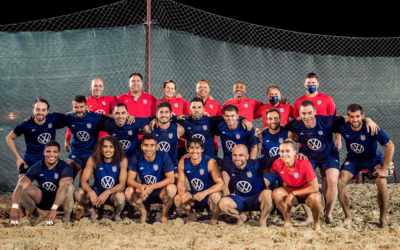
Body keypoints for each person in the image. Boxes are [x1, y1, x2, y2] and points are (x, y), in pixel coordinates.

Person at [285, 100, 378, 223]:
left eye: (309, 113)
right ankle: (309, 215)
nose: (306, 116)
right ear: (299, 113)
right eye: (303, 113)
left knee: (333, 180)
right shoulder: (295, 124)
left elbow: (351, 118)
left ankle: (328, 213)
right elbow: (287, 140)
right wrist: (296, 154)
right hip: (309, 156)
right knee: (301, 180)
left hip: (329, 155)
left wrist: (368, 120)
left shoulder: (326, 120)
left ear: (315, 112)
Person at [336, 104, 394, 228]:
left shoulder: (371, 128)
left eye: (358, 116)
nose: (355, 120)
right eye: (352, 117)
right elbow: (329, 122)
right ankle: (348, 217)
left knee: (382, 183)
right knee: (340, 182)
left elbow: (390, 145)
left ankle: (383, 218)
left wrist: (384, 169)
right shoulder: (343, 127)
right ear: (348, 117)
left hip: (373, 160)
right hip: (353, 160)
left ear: (362, 116)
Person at [9, 141, 75, 227]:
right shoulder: (36, 167)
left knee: (69, 187)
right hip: (43, 201)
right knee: (23, 188)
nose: (51, 154)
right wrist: (14, 207)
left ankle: (66, 218)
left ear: (59, 153)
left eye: (55, 152)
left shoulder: (65, 167)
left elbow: (64, 187)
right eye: (48, 151)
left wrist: (54, 209)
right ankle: (37, 218)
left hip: (60, 204)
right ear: (44, 152)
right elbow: (20, 185)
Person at [169, 97, 252, 157]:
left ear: (203, 110)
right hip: (193, 158)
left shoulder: (211, 121)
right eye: (194, 107)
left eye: (199, 107)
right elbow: (163, 119)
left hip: (210, 160)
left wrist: (244, 120)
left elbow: (230, 117)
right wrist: (174, 117)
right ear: (190, 110)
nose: (196, 110)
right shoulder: (184, 121)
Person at [268, 139, 323, 231]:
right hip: (293, 191)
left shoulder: (304, 163)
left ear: (294, 152)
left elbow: (315, 188)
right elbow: (269, 170)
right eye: (282, 151)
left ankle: (316, 223)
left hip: (309, 192)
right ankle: (287, 221)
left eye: (287, 151)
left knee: (315, 198)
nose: (284, 154)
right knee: (276, 193)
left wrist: (293, 194)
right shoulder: (278, 163)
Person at [217, 145, 277, 227]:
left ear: (247, 156)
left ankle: (263, 219)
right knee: (223, 203)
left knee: (268, 194)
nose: (237, 158)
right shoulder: (229, 165)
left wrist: (297, 156)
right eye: (235, 155)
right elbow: (214, 159)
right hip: (240, 199)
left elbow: (276, 157)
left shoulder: (256, 164)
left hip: (257, 199)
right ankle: (241, 216)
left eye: (241, 155)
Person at [6, 98, 66, 178]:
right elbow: (9, 138)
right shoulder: (26, 124)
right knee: (22, 184)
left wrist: (85, 111)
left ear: (47, 112)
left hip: (48, 159)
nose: (40, 112)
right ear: (33, 111)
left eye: (43, 110)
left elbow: (70, 115)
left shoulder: (53, 118)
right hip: (30, 159)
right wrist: (18, 158)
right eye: (38, 110)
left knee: (58, 184)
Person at [125, 133, 177, 224]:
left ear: (157, 147)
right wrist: (140, 186)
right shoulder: (136, 157)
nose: (148, 148)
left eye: (152, 145)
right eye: (146, 145)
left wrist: (152, 187)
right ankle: (143, 212)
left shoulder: (163, 155)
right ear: (141, 146)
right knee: (128, 191)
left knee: (172, 188)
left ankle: (164, 215)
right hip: (144, 192)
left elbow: (171, 179)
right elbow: (130, 180)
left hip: (161, 192)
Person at [74, 136, 128, 223]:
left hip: (112, 194)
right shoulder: (93, 160)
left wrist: (108, 192)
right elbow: (83, 181)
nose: (108, 150)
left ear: (115, 149)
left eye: (111, 147)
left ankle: (117, 215)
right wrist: (91, 192)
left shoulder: (122, 160)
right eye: (105, 146)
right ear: (100, 148)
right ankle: (92, 212)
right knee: (78, 193)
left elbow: (122, 184)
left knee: (121, 196)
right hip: (97, 193)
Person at [58, 95, 113, 178]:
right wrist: (35, 118)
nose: (79, 110)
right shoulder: (69, 118)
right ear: (72, 107)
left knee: (99, 182)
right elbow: (51, 119)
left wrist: (128, 117)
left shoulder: (95, 118)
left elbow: (116, 123)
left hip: (92, 154)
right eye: (76, 107)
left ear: (86, 107)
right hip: (76, 154)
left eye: (82, 107)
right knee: (65, 176)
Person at [174, 138, 224, 225]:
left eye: (197, 148)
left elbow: (221, 184)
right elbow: (181, 183)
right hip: (194, 196)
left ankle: (214, 219)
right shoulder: (183, 162)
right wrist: (182, 194)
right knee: (178, 199)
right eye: (192, 148)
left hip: (208, 196)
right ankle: (192, 215)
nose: (194, 151)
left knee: (216, 196)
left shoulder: (210, 162)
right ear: (188, 150)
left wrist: (205, 192)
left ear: (202, 149)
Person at [213, 104, 258, 196]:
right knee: (224, 183)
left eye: (233, 116)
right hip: (228, 160)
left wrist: (251, 163)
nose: (230, 118)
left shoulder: (247, 128)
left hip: (243, 161)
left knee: (246, 186)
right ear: (224, 117)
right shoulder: (220, 126)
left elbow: (255, 146)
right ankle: (227, 204)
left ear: (237, 116)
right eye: (227, 116)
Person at [64, 78, 116, 153]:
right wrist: (67, 138)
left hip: (104, 139)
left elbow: (123, 103)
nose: (98, 88)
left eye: (100, 86)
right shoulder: (84, 102)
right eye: (95, 86)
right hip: (88, 140)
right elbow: (74, 119)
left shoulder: (108, 100)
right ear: (91, 87)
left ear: (103, 87)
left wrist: (128, 115)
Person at [293, 73, 342, 150]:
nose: (311, 85)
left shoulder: (327, 99)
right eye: (308, 83)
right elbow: (296, 123)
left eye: (313, 83)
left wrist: (338, 138)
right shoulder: (298, 102)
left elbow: (335, 120)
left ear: (318, 84)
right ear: (304, 84)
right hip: (306, 143)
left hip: (325, 141)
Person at [183, 80, 222, 155]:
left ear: (209, 89)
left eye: (205, 87)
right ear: (196, 89)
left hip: (211, 145)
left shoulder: (215, 104)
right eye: (200, 87)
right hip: (193, 147)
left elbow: (221, 120)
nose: (202, 89)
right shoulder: (188, 104)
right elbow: (184, 123)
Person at [153, 80, 187, 159]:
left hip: (179, 142)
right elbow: (155, 118)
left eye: (172, 88)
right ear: (163, 89)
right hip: (162, 141)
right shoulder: (157, 103)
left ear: (175, 90)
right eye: (168, 88)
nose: (170, 90)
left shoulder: (181, 101)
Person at [152, 102, 185, 178]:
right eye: (161, 112)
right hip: (154, 164)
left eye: (166, 112)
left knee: (180, 182)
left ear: (171, 114)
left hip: (172, 164)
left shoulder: (178, 128)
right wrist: (152, 119)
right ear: (157, 115)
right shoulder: (150, 128)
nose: (164, 115)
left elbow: (191, 135)